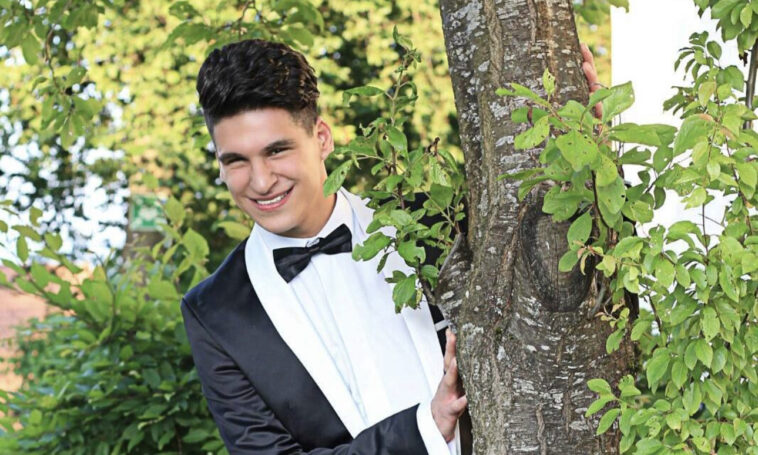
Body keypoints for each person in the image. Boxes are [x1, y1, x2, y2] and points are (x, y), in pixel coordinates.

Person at [180, 39, 600, 454]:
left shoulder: (437, 222)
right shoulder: (215, 312)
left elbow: (571, 288)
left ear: (322, 138)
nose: (260, 181)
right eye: (236, 160)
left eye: (276, 150)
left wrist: (587, 158)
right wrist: (424, 429)